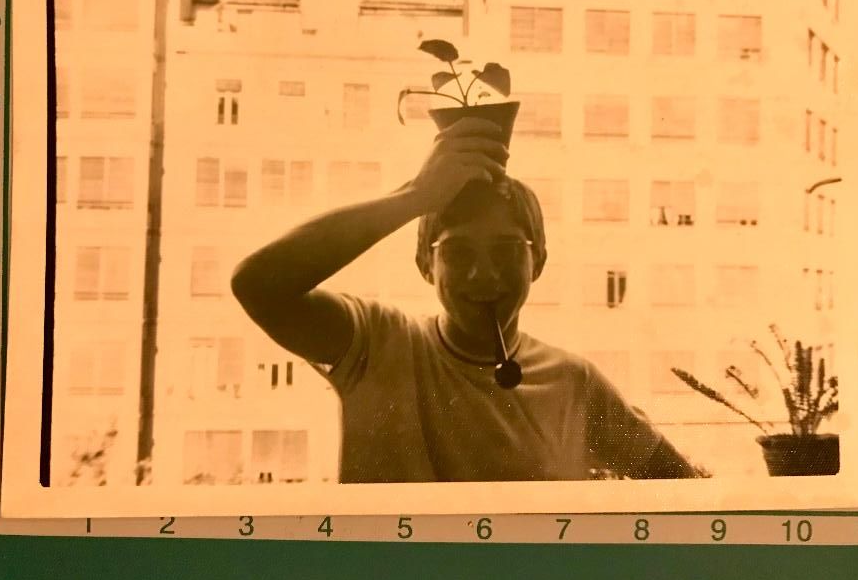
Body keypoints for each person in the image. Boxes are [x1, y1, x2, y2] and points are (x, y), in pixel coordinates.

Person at [231, 117, 698, 482]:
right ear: (425, 263)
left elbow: (684, 489)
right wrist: (415, 197)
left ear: (537, 262)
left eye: (505, 251)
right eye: (458, 252)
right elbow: (257, 285)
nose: (483, 273)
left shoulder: (575, 383)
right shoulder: (377, 343)